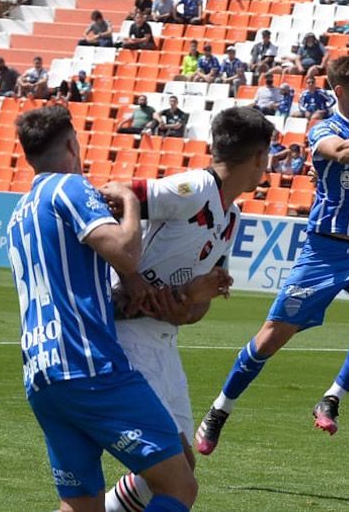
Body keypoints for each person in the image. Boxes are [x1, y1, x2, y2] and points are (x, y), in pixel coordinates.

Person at [195, 55, 349, 457]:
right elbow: (341, 151)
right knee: (270, 339)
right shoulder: (324, 128)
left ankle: (331, 397)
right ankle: (219, 409)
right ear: (340, 92)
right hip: (323, 251)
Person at [7, 105, 197, 512]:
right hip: (90, 367)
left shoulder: (18, 214)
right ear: (74, 145)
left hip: (42, 374)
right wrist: (129, 200)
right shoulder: (70, 188)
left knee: (81, 504)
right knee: (178, 484)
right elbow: (126, 253)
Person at [103, 107, 272, 512]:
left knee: (182, 468)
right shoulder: (194, 189)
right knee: (173, 474)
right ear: (258, 158)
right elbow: (110, 195)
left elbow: (195, 306)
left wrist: (188, 306)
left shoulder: (230, 218)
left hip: (162, 342)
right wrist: (130, 277)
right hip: (128, 340)